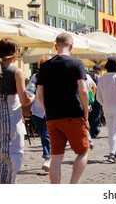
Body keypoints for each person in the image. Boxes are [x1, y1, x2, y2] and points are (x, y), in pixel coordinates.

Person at [37, 32, 90, 184]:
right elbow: (83, 90)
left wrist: (47, 110)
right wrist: (85, 112)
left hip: (53, 117)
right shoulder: (76, 64)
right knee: (83, 151)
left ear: (56, 46)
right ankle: (72, 186)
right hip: (73, 115)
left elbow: (40, 93)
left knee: (56, 157)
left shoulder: (45, 66)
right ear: (71, 46)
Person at [0, 37, 35, 183]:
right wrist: (32, 98)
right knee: (13, 160)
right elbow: (24, 101)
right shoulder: (16, 71)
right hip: (11, 121)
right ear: (15, 53)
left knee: (1, 163)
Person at [96, 57, 116, 163]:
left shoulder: (101, 78)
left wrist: (104, 103)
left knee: (110, 131)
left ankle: (113, 150)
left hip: (107, 108)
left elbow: (98, 97)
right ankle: (112, 154)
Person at [29, 56, 51, 172]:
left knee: (46, 134)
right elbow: (30, 89)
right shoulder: (35, 76)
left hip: (50, 110)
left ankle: (48, 157)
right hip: (37, 110)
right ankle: (50, 154)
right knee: (43, 135)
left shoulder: (55, 77)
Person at [88, 64, 102, 139]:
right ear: (99, 70)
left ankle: (90, 130)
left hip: (88, 97)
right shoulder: (99, 78)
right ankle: (94, 131)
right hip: (96, 97)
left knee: (89, 115)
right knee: (96, 114)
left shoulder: (87, 76)